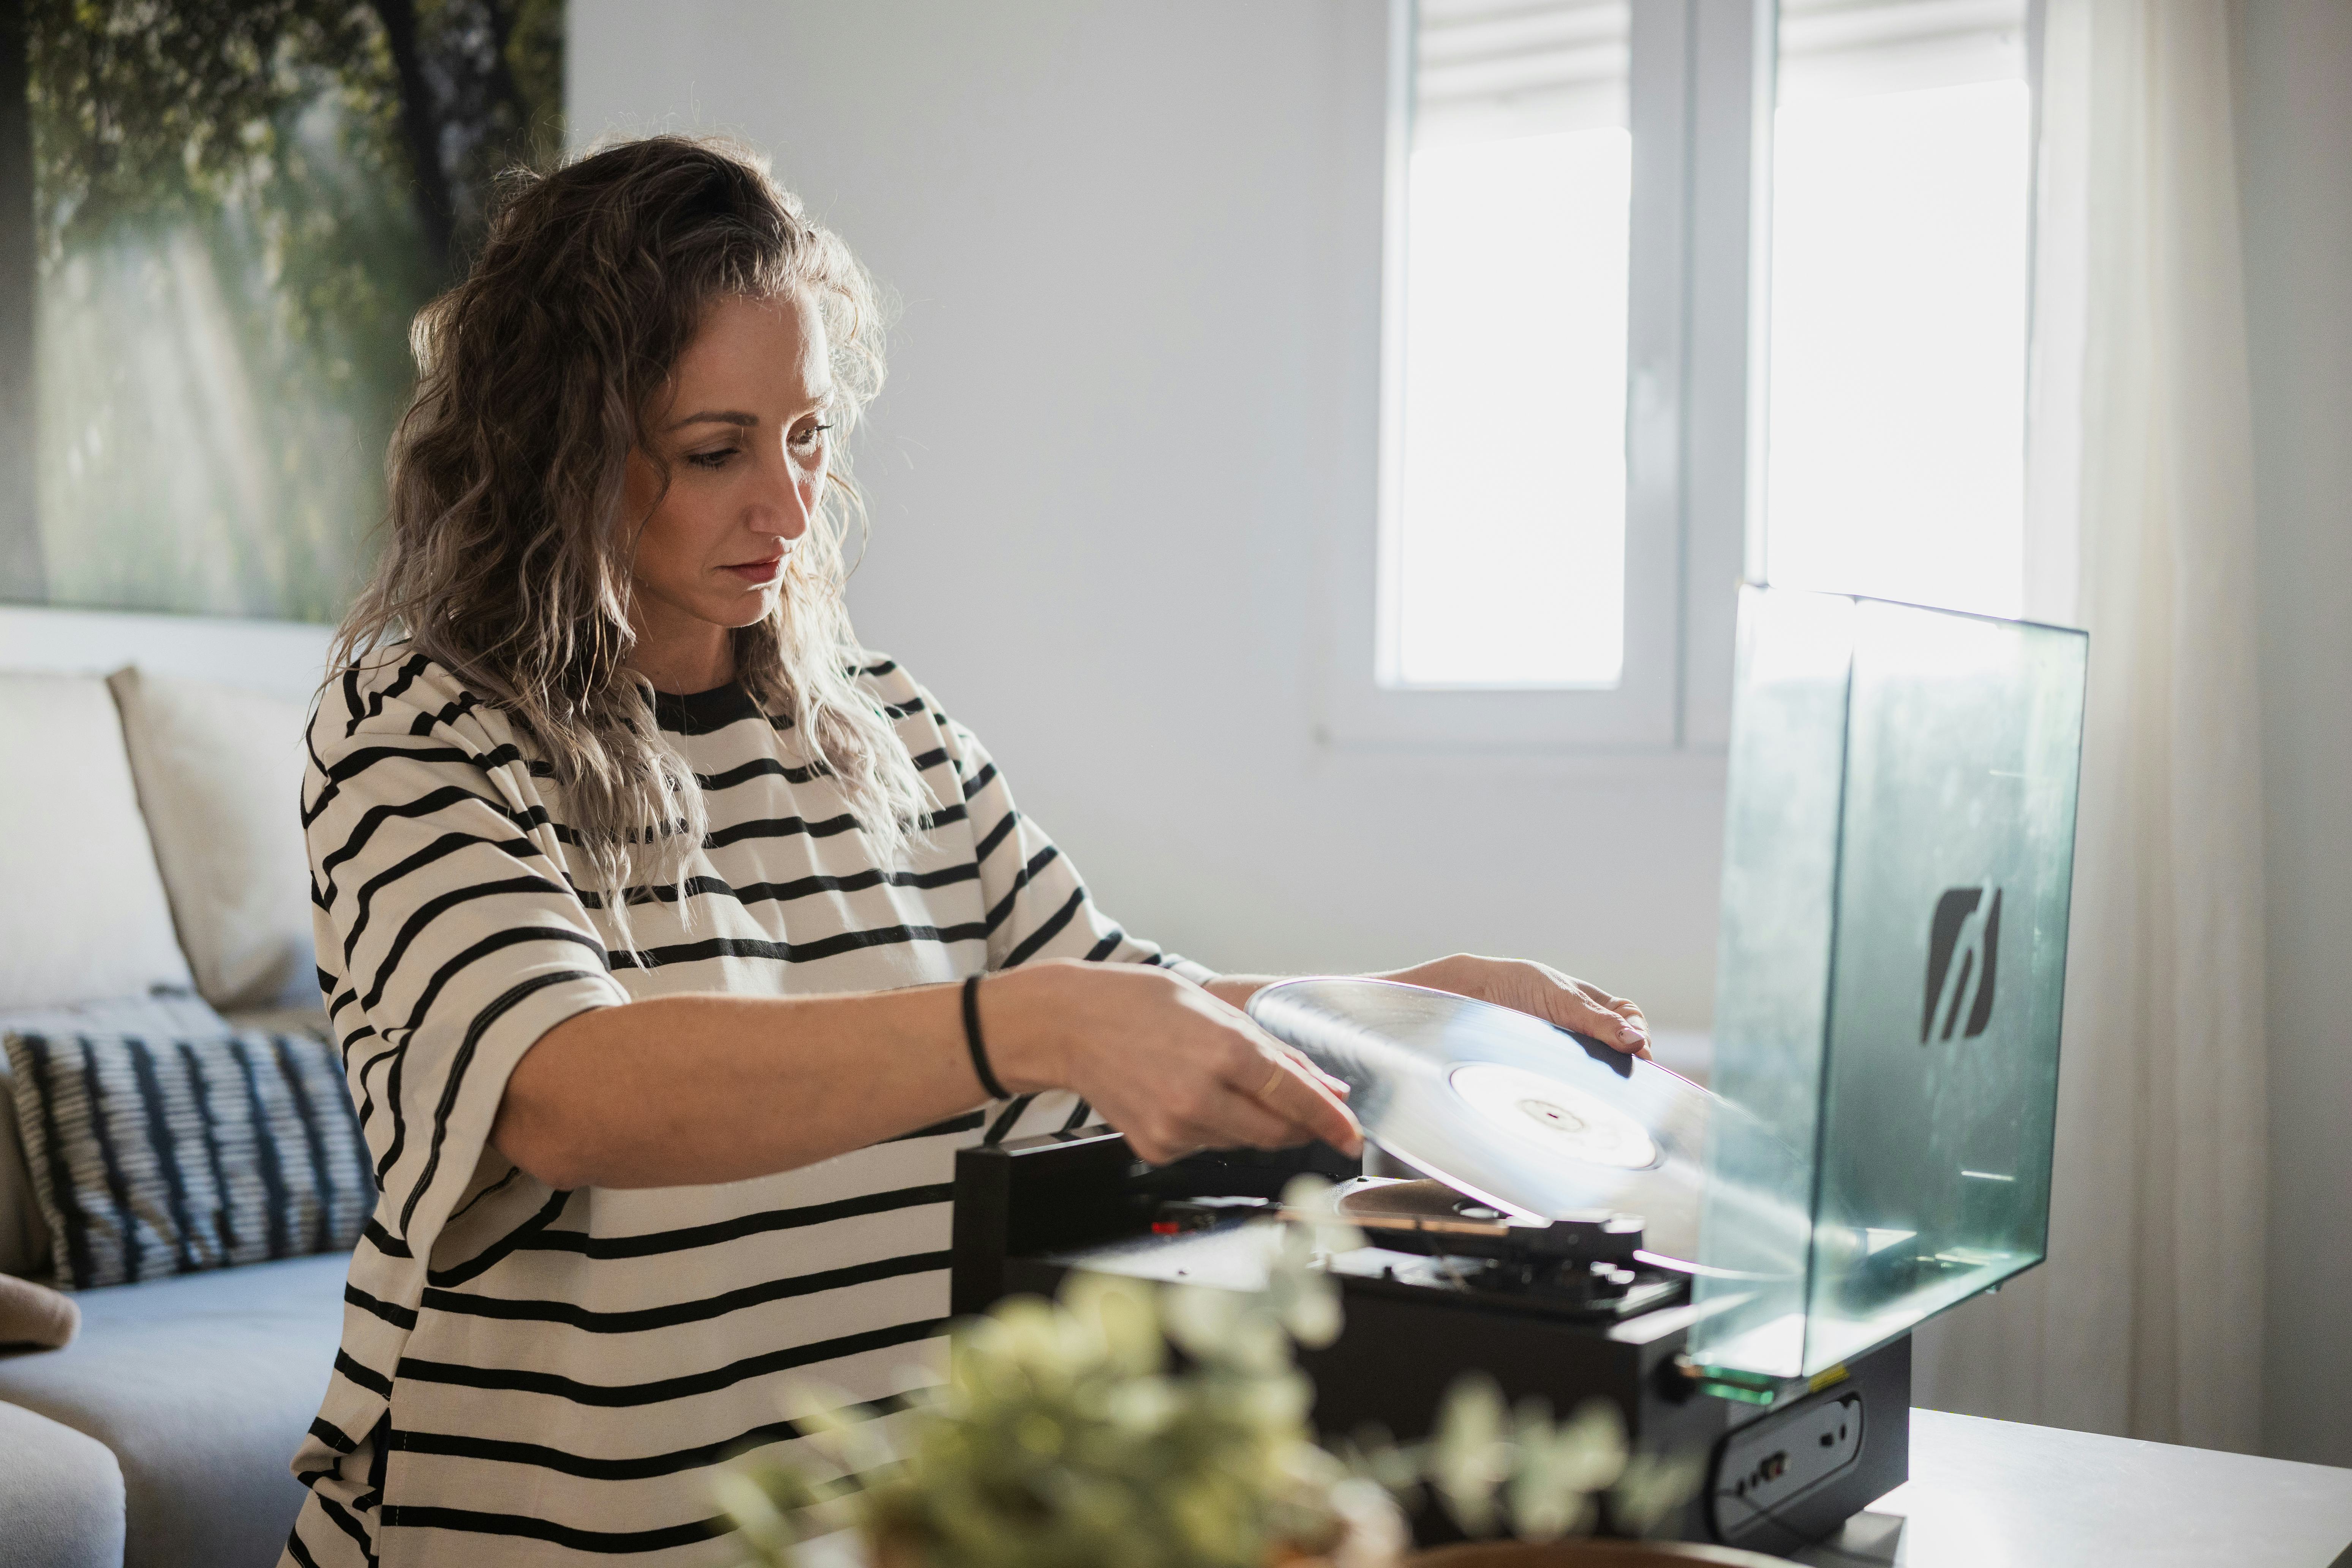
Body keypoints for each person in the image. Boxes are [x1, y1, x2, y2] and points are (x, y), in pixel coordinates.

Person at [281, 134, 1652, 1568]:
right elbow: (565, 1093)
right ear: (555, 448)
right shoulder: (414, 723)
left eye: (808, 437)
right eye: (714, 452)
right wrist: (1023, 1027)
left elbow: (1125, 1004)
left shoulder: (886, 726)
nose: (790, 507)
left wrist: (1413, 1012)